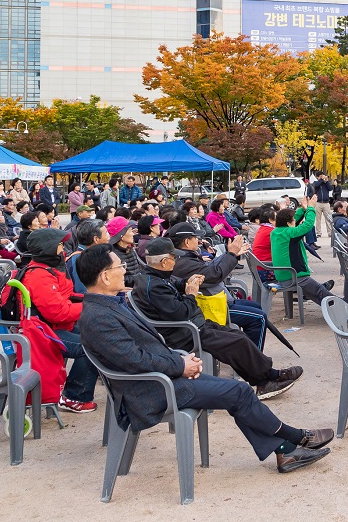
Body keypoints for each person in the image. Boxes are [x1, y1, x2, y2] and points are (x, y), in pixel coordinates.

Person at [75, 246, 333, 473]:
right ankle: (293, 438)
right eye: (119, 266)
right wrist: (180, 364)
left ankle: (286, 449)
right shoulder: (99, 317)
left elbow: (141, 350)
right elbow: (133, 359)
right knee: (239, 390)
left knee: (237, 392)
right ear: (105, 276)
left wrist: (179, 358)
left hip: (162, 378)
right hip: (151, 390)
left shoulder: (106, 307)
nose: (124, 270)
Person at [133, 237, 302, 399]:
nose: (176, 261)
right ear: (163, 262)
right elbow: (180, 312)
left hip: (192, 325)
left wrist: (187, 283)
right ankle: (265, 381)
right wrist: (191, 295)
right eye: (173, 258)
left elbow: (173, 284)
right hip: (184, 333)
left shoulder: (152, 276)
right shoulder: (153, 286)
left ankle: (267, 377)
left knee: (239, 336)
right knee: (237, 342)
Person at [8, 227, 99, 413]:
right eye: (59, 244)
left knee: (99, 336)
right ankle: (75, 397)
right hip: (45, 331)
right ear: (47, 248)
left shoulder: (47, 268)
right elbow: (58, 312)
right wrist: (89, 306)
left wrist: (92, 298)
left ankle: (77, 390)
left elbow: (63, 296)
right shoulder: (38, 275)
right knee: (92, 347)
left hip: (52, 326)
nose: (62, 247)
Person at [269, 197, 334, 306]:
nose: (295, 221)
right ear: (289, 223)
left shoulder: (276, 232)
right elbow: (307, 225)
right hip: (294, 276)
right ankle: (340, 306)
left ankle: (332, 305)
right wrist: (311, 208)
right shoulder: (290, 233)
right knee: (319, 291)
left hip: (283, 275)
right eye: (293, 220)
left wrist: (303, 210)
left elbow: (292, 221)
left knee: (318, 291)